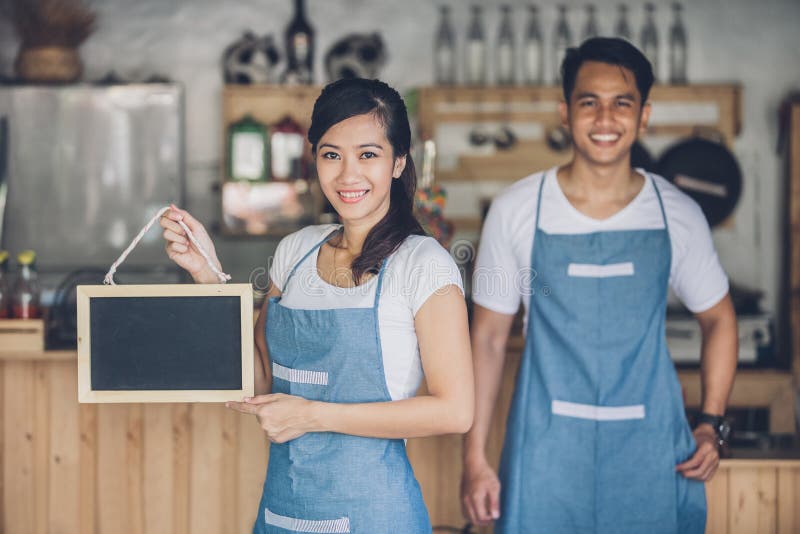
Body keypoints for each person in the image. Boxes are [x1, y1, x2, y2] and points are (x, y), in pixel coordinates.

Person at [160, 78, 473, 533]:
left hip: (376, 516)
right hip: (283, 514)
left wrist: (313, 415)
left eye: (368, 154)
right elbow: (255, 377)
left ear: (399, 162)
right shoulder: (295, 252)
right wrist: (207, 274)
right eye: (332, 155)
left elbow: (455, 411)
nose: (348, 175)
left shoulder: (424, 264)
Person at [460, 37, 738, 533]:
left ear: (644, 115)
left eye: (621, 103)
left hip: (652, 451)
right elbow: (487, 338)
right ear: (565, 113)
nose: (605, 119)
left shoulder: (679, 214)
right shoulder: (515, 211)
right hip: (545, 451)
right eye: (589, 102)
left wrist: (711, 424)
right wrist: (475, 456)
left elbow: (719, 319)